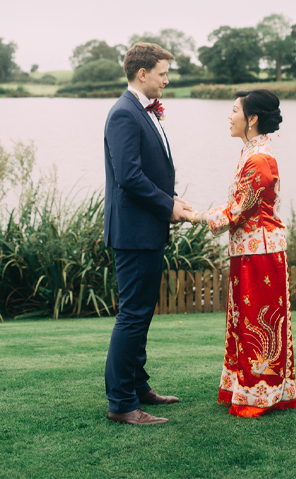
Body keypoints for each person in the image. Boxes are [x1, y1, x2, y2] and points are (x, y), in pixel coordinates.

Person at [186, 89, 296, 418]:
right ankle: (253, 389)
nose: (229, 115)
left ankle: (258, 396)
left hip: (260, 254)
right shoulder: (252, 152)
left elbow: (238, 211)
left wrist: (193, 215)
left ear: (252, 119)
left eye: (234, 110)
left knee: (257, 323)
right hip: (251, 251)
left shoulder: (259, 159)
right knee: (246, 320)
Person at [102, 42, 192, 425]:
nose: (166, 80)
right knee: (133, 316)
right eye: (162, 73)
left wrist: (171, 199)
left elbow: (149, 173)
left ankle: (139, 388)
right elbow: (129, 177)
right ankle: (122, 403)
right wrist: (168, 205)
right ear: (142, 74)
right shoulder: (124, 113)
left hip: (146, 228)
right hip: (134, 232)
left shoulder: (142, 111)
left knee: (141, 314)